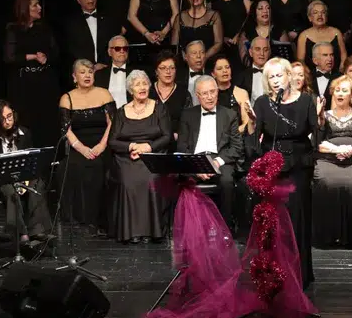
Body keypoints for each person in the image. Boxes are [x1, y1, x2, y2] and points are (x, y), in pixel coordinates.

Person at [250, 57, 319, 288]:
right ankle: (273, 270)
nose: (276, 80)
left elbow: (316, 134)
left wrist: (320, 119)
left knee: (297, 215)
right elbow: (255, 140)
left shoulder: (306, 100)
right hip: (273, 165)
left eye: (279, 75)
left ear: (289, 76)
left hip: (299, 164)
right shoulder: (262, 103)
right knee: (273, 218)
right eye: (271, 77)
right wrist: (251, 125)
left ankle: (298, 272)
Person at [312, 75, 352, 249]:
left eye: (344, 90)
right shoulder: (324, 116)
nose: (340, 94)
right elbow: (317, 142)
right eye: (337, 90)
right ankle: (327, 237)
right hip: (329, 158)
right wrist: (337, 150)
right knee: (326, 181)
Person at [0, 100, 53, 248]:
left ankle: (37, 230)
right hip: (0, 179)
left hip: (23, 176)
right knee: (11, 190)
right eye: (3, 119)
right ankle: (20, 232)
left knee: (37, 183)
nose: (7, 122)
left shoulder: (24, 133)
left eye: (9, 116)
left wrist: (25, 179)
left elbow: (31, 160)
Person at [108, 70, 172, 244]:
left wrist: (147, 147)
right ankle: (131, 231)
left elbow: (167, 136)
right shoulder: (121, 112)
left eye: (144, 83)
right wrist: (131, 146)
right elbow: (112, 141)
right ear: (131, 90)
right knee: (127, 181)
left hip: (153, 155)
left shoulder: (159, 108)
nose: (142, 87)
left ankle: (152, 231)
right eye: (137, 84)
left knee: (151, 178)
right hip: (127, 157)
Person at [176, 76, 244, 230]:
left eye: (212, 92)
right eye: (205, 93)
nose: (209, 97)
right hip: (195, 158)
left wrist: (217, 162)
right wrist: (196, 166)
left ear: (217, 92)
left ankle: (225, 227)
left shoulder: (229, 115)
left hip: (219, 159)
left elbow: (236, 147)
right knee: (182, 177)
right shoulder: (187, 115)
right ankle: (190, 227)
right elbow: (182, 147)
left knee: (227, 181)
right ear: (197, 95)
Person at [57, 59, 115, 235]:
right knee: (69, 167)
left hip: (102, 143)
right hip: (79, 145)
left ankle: (99, 219)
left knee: (99, 166)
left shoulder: (104, 94)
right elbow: (66, 130)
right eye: (82, 72)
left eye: (90, 71)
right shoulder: (67, 98)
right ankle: (78, 219)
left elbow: (112, 124)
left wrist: (101, 146)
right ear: (74, 77)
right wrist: (81, 148)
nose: (87, 75)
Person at [3, 0, 60, 143]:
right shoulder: (13, 29)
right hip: (23, 83)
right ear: (25, 8)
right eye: (35, 5)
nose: (39, 8)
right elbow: (9, 57)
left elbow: (56, 52)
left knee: (47, 121)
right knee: (26, 122)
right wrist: (33, 56)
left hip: (44, 81)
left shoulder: (44, 28)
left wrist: (46, 57)